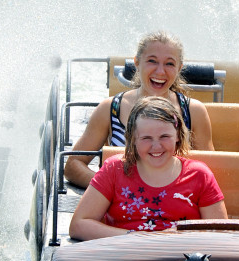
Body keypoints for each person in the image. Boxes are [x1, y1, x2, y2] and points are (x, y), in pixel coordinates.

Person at [64, 30, 214, 188]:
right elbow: (73, 165)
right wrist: (111, 187)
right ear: (137, 62)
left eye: (169, 63)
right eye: (152, 61)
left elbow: (212, 171)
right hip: (122, 206)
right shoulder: (109, 109)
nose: (160, 71)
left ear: (179, 68)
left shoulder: (194, 111)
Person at [69, 96, 227, 240]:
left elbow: (220, 235)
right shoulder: (114, 169)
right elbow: (79, 225)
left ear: (178, 135)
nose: (156, 146)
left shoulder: (199, 175)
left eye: (164, 136)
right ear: (133, 139)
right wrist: (136, 238)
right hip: (124, 258)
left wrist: (170, 243)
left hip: (180, 260)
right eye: (146, 138)